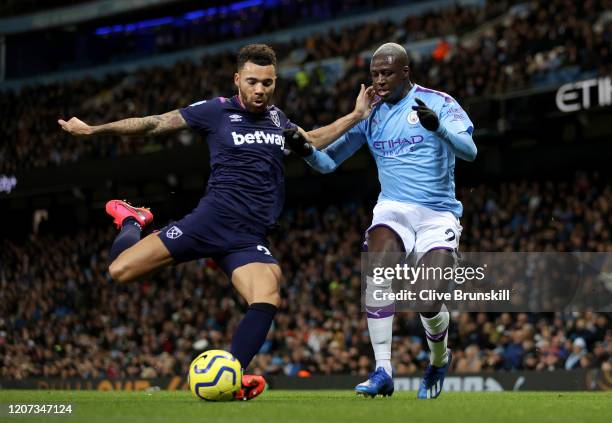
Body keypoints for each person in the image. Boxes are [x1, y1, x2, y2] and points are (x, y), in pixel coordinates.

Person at [58, 43, 375, 400]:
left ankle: (234, 375)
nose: (260, 90)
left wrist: (356, 116)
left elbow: (314, 140)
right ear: (237, 79)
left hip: (247, 237)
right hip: (209, 222)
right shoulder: (215, 111)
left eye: (268, 83)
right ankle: (132, 220)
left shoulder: (277, 119)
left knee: (267, 295)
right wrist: (95, 130)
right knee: (119, 271)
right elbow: (156, 123)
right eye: (253, 81)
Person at [286, 43, 476, 399]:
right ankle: (382, 370)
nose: (380, 80)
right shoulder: (370, 114)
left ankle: (439, 358)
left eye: (387, 73)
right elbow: (327, 164)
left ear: (406, 72)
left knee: (427, 300)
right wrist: (304, 149)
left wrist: (439, 130)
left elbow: (470, 151)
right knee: (378, 270)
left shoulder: (438, 102)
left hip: (438, 214)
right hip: (393, 208)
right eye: (374, 74)